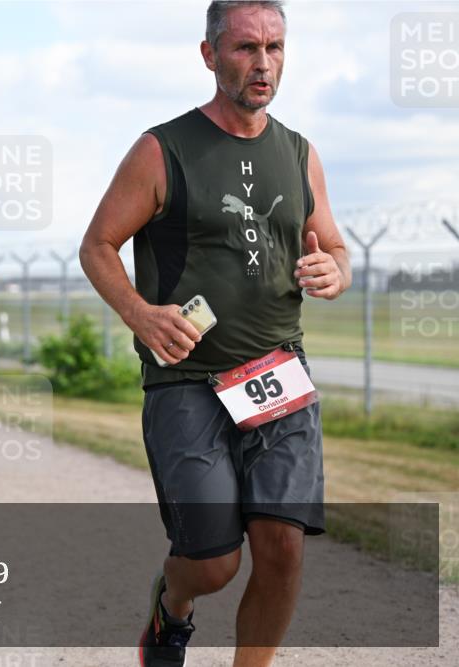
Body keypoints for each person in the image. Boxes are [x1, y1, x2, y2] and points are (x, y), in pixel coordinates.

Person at [78, 3, 351, 666]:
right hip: (187, 381)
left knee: (283, 545)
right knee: (213, 561)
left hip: (278, 374)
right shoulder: (162, 149)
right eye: (245, 48)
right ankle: (172, 605)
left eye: (275, 48)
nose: (263, 63)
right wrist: (140, 313)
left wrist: (334, 270)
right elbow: (97, 246)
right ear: (209, 55)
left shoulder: (300, 153)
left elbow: (336, 247)